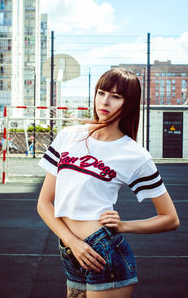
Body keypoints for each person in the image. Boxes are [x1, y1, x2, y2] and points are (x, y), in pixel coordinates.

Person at [37, 68, 180, 298]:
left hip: (105, 255)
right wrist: (72, 242)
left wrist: (124, 226)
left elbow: (170, 219)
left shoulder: (134, 155)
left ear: (129, 103)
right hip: (72, 252)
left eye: (116, 96)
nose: (105, 101)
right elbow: (44, 203)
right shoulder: (69, 136)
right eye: (102, 92)